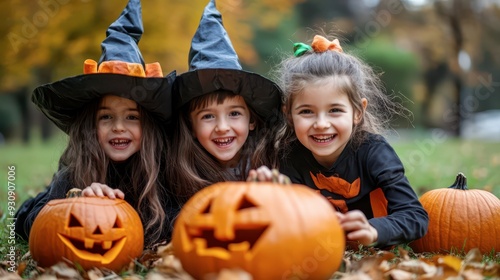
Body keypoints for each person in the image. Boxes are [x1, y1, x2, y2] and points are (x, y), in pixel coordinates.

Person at [14, 0, 177, 247]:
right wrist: (76, 200)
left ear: (149, 125)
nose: (119, 127)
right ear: (91, 124)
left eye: (132, 117)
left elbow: (180, 220)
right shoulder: (77, 167)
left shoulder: (162, 168)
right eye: (106, 117)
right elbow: (29, 223)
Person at [275, 34, 429, 248]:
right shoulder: (289, 157)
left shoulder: (374, 153)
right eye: (307, 111)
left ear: (357, 112)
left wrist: (373, 230)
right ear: (289, 115)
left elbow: (415, 216)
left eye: (335, 110)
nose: (321, 124)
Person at [167, 0, 284, 204]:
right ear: (191, 126)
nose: (222, 127)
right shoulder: (181, 169)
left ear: (252, 120)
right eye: (208, 116)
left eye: (234, 113)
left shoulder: (270, 160)